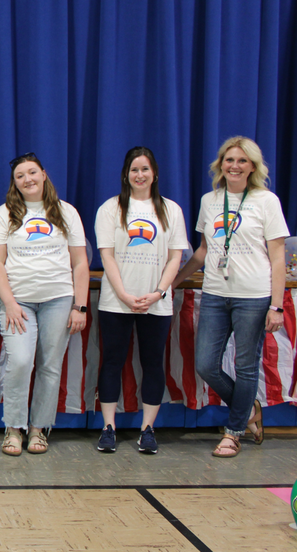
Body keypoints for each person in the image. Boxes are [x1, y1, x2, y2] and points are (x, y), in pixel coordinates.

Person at [172, 136, 288, 458]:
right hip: (215, 293)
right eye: (229, 160)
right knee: (206, 365)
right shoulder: (210, 200)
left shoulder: (266, 201)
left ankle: (233, 432)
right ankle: (248, 406)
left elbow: (278, 257)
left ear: (252, 166)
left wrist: (276, 306)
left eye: (241, 161)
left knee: (245, 365)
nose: (234, 166)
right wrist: (173, 280)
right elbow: (203, 252)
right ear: (220, 165)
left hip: (253, 295)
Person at [0, 152, 89, 456]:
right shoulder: (3, 214)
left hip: (59, 299)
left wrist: (79, 306)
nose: (27, 179)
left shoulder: (66, 212)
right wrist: (10, 303)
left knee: (49, 366)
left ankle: (38, 429)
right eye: (20, 176)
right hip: (19, 302)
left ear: (43, 174)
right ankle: (14, 428)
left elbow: (80, 263)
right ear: (15, 183)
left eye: (32, 173)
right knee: (19, 362)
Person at [94, 147, 188, 454]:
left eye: (145, 169)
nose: (139, 175)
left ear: (155, 173)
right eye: (134, 169)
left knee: (152, 364)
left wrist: (159, 292)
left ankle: (148, 429)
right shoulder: (110, 209)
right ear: (125, 174)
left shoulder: (170, 210)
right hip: (116, 302)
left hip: (156, 303)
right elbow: (106, 255)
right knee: (112, 362)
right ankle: (108, 427)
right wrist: (122, 293)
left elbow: (176, 258)